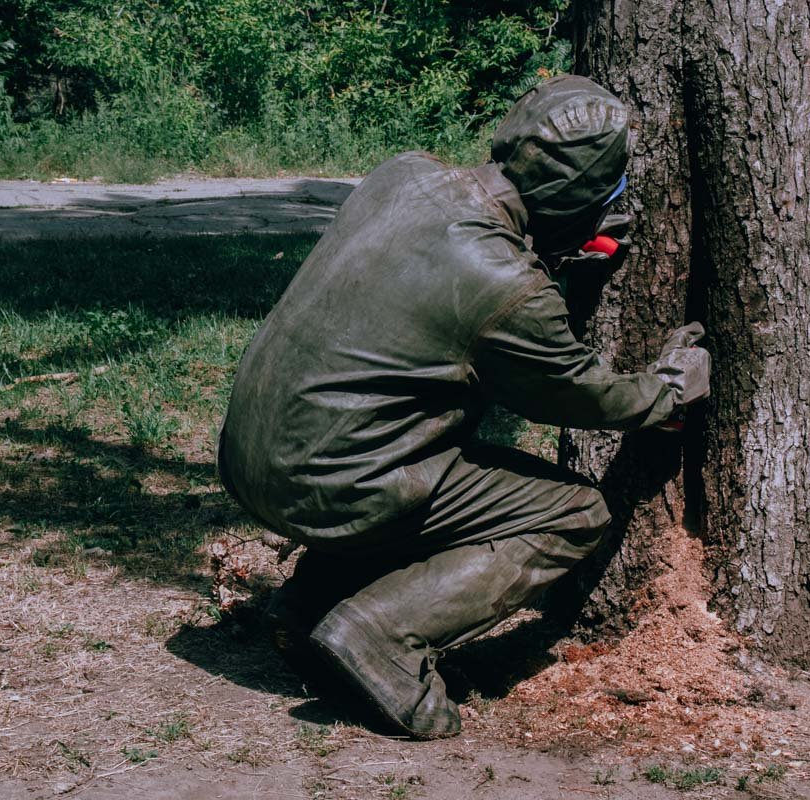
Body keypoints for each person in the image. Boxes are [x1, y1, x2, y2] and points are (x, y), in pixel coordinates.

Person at [216, 74, 711, 740]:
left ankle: (309, 603)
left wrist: (549, 249)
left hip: (252, 457)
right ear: (577, 197)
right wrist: (669, 388)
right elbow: (578, 392)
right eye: (610, 194)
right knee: (571, 512)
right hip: (331, 484)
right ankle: (381, 635)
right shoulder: (505, 284)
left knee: (420, 460)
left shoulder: (404, 176)